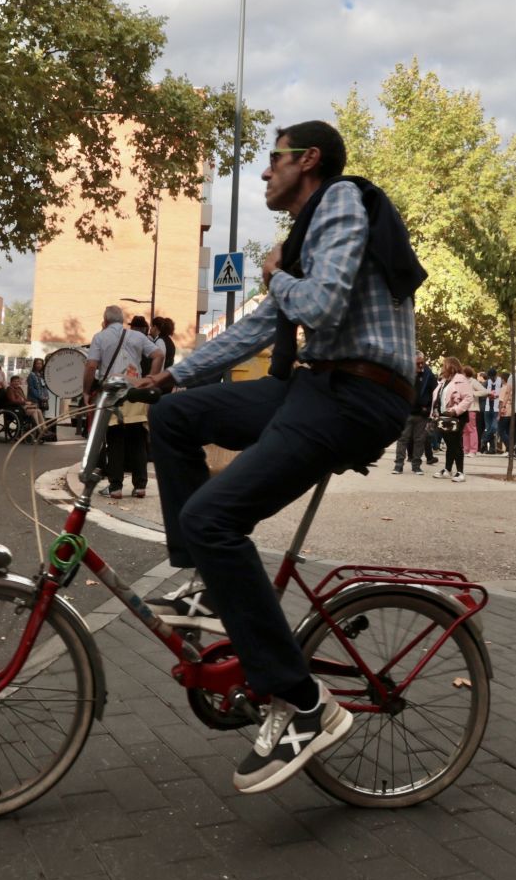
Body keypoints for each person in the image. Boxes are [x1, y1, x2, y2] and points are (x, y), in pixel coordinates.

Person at [132, 120, 424, 794]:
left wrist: (273, 274)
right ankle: (203, 580)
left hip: (357, 394)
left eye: (274, 161)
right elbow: (266, 324)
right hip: (314, 385)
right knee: (175, 417)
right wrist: (173, 377)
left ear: (309, 161)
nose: (264, 174)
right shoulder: (305, 233)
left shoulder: (344, 200)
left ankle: (304, 704)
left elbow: (318, 306)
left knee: (214, 518)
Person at [85, 306, 164, 499]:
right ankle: (140, 486)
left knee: (115, 440)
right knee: (137, 439)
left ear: (105, 321)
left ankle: (116, 487)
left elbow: (91, 365)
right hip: (135, 391)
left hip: (113, 393)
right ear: (122, 320)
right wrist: (149, 379)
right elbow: (158, 355)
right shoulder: (137, 336)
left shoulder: (100, 337)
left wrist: (86, 391)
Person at [392, 351, 436, 474]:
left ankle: (416, 465)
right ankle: (398, 465)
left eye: (422, 363)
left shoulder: (428, 375)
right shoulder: (405, 374)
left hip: (422, 414)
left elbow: (435, 392)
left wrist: (429, 409)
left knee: (419, 440)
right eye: (418, 363)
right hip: (406, 412)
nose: (421, 366)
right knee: (403, 439)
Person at [435, 357, 474, 482]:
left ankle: (460, 472)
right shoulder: (445, 380)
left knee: (456, 444)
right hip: (444, 416)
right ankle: (447, 470)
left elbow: (468, 398)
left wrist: (455, 410)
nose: (442, 367)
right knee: (450, 444)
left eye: (444, 365)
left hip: (457, 417)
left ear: (450, 366)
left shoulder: (460, 380)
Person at [24, 357, 53, 440]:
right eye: (37, 363)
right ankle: (37, 433)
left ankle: (42, 432)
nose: (39, 365)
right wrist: (40, 397)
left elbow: (44, 387)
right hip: (34, 399)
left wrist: (46, 396)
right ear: (34, 365)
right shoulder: (31, 375)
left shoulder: (41, 375)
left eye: (40, 364)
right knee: (34, 417)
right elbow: (32, 389)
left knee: (41, 415)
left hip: (42, 399)